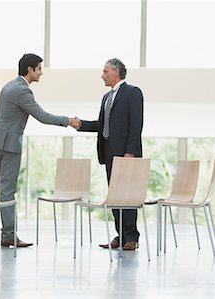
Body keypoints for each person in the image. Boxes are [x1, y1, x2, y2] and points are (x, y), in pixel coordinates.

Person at [0, 53, 81, 247]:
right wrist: (68, 121)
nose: (41, 73)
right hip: (10, 146)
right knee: (7, 191)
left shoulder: (8, 86)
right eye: (39, 69)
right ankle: (8, 235)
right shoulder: (22, 91)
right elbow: (42, 116)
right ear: (30, 69)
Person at [76, 58, 144, 250]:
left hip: (126, 155)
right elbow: (102, 126)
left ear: (116, 72)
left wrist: (130, 152)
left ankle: (132, 237)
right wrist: (81, 125)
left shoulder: (133, 93)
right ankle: (120, 236)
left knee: (128, 196)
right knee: (115, 197)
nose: (102, 75)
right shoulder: (106, 98)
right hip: (109, 154)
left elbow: (136, 124)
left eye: (105, 71)